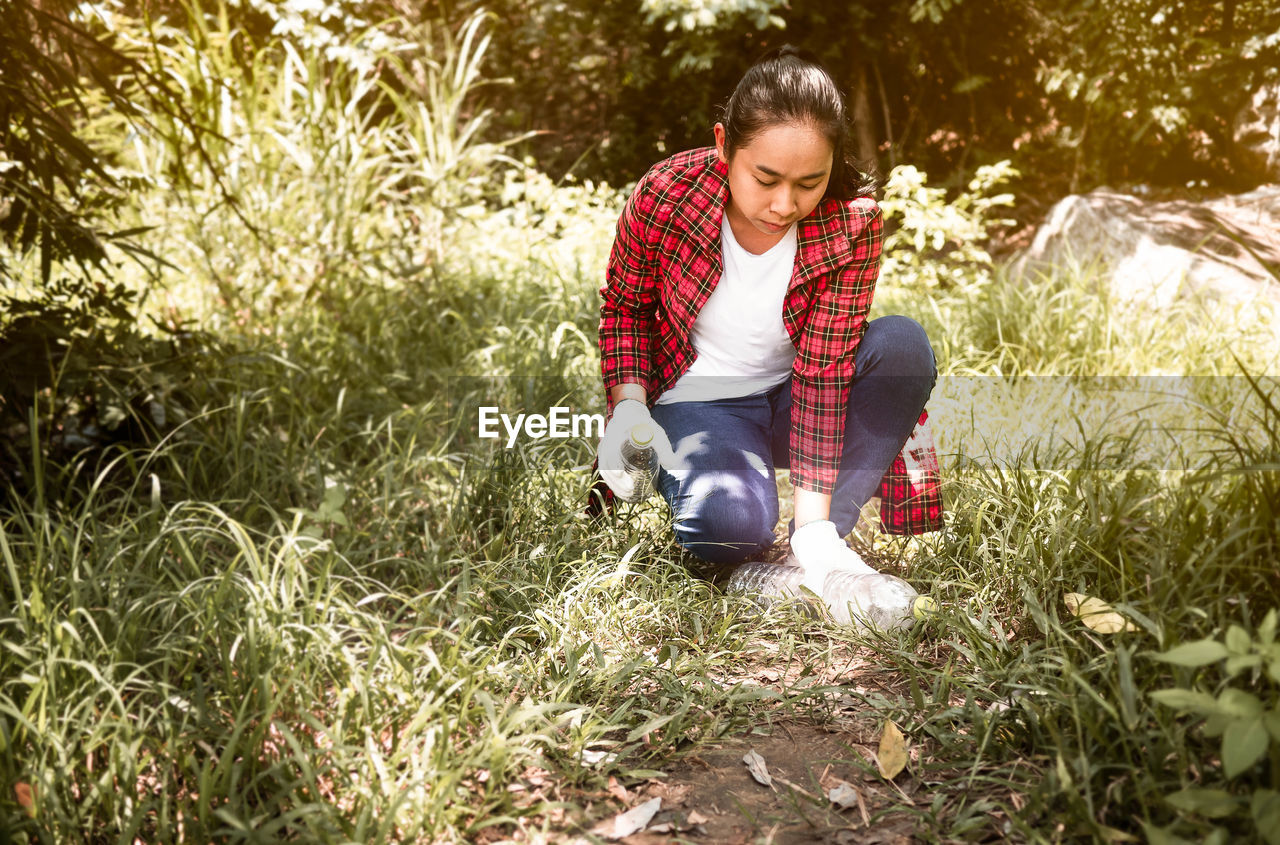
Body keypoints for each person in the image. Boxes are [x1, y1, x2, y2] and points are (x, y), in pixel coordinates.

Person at [593, 46, 943, 593]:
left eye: (809, 183)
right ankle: (753, 540)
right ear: (722, 146)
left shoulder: (853, 223)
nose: (784, 204)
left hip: (795, 395)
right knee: (729, 525)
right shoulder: (666, 194)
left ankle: (819, 540)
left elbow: (824, 372)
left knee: (902, 346)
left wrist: (812, 529)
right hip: (698, 400)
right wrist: (630, 409)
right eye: (766, 178)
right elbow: (626, 307)